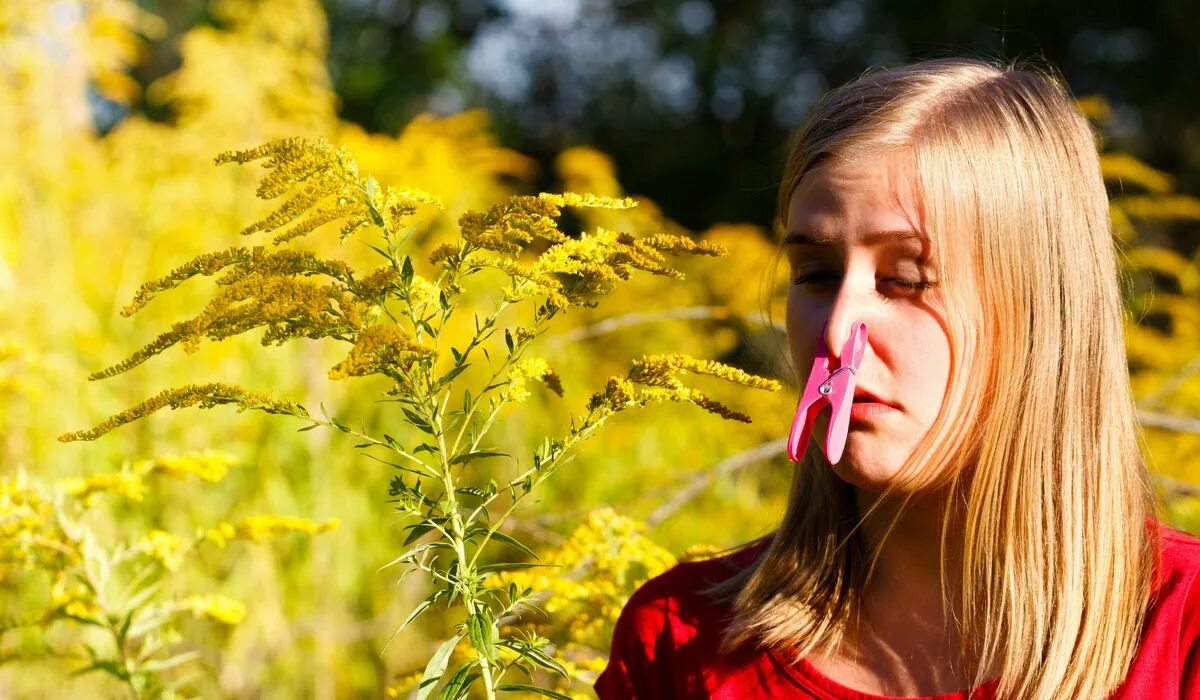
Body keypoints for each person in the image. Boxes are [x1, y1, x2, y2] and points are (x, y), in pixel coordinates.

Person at [594, 56, 1200, 700]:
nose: (835, 333)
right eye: (816, 275)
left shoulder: (1179, 637)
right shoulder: (683, 641)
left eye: (904, 279)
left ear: (1041, 307)